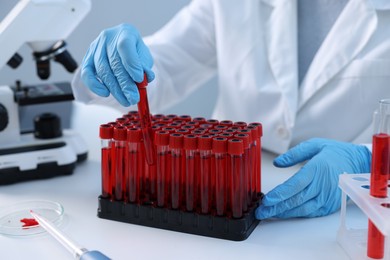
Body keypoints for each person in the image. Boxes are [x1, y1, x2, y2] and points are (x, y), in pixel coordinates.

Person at [71, 0, 390, 219]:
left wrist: (368, 161)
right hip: (217, 198)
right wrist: (112, 65)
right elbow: (161, 67)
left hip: (352, 217)